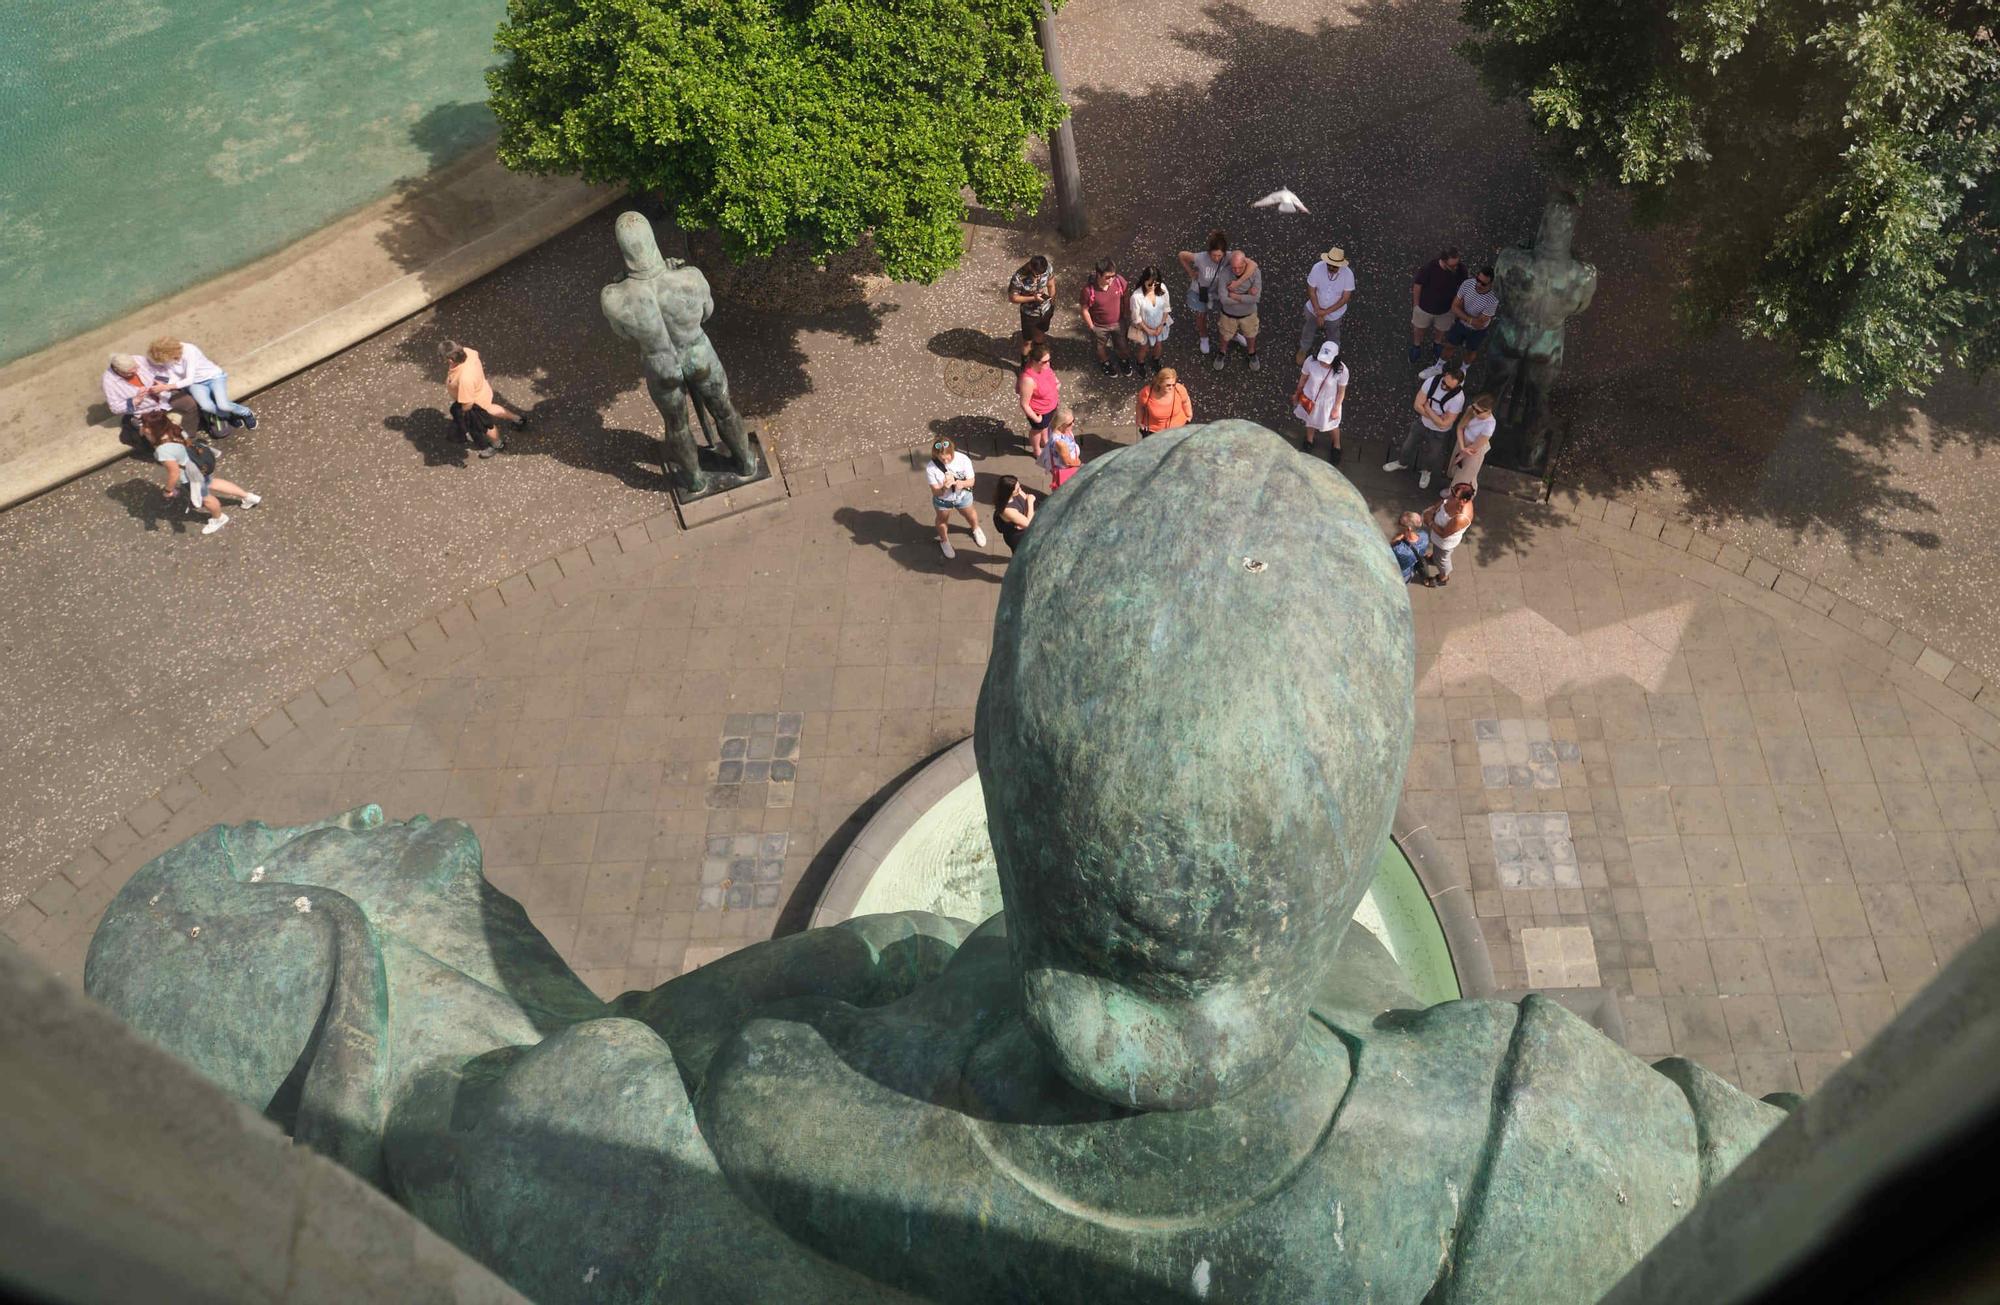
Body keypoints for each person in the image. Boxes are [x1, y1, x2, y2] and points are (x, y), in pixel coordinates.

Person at [141, 411, 260, 536]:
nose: (143, 428)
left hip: (190, 475)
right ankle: (248, 496)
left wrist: (168, 490)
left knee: (206, 499)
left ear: (151, 430)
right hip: (198, 462)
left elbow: (174, 473)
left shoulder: (163, 450)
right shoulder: (174, 427)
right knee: (212, 482)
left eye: (145, 426)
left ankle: (219, 518)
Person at [102, 353, 215, 445]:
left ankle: (190, 436)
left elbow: (162, 370)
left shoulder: (138, 359)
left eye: (136, 368)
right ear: (118, 371)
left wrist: (161, 385)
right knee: (158, 434)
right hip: (145, 409)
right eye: (131, 373)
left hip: (164, 397)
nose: (136, 372)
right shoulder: (109, 382)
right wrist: (135, 400)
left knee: (189, 404)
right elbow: (115, 408)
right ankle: (170, 447)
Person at [1384, 364, 1467, 490]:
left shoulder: (1458, 398)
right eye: (1444, 383)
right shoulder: (1431, 381)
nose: (1444, 387)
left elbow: (1445, 424)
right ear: (1444, 376)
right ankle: (1402, 463)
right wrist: (1438, 417)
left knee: (1432, 455)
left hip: (1440, 433)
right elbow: (1417, 405)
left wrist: (1427, 408)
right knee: (1407, 446)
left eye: (1449, 387)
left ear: (1458, 386)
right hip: (1422, 423)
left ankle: (1426, 472)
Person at [442, 341, 528, 459]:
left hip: (475, 404)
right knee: (490, 407)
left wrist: (463, 414)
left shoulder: (465, 379)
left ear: (450, 359)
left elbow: (468, 404)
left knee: (485, 426)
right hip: (482, 391)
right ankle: (518, 419)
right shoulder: (468, 352)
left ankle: (497, 444)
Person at [146, 338, 256, 429]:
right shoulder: (168, 359)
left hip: (213, 377)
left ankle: (245, 413)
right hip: (196, 383)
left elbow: (189, 378)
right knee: (207, 407)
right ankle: (229, 415)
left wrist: (166, 387)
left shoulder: (189, 350)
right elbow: (173, 376)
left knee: (223, 404)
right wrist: (162, 383)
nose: (165, 362)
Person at [1176, 230, 1255, 357]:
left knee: (1228, 316)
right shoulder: (1201, 257)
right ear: (1209, 252)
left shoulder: (1230, 257)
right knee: (1201, 315)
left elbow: (1252, 265)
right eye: (1214, 255)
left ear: (1225, 253)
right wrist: (1190, 272)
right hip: (1201, 291)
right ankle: (1204, 337)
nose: (1217, 258)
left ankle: (1233, 334)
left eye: (1220, 255)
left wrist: (1239, 282)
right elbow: (1181, 255)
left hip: (1220, 293)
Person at [924, 437, 985, 559]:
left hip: (962, 496)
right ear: (936, 455)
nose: (946, 460)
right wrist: (944, 488)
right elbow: (935, 492)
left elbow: (971, 481)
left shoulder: (963, 459)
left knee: (970, 513)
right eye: (942, 458)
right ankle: (944, 540)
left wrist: (961, 483)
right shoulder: (931, 468)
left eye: (948, 457)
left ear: (952, 452)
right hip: (944, 500)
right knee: (942, 520)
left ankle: (976, 528)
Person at [1291, 341, 1348, 463]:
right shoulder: (1311, 361)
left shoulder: (1342, 370)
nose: (1323, 362)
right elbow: (1303, 378)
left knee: (1332, 426)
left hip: (1328, 403)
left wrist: (1336, 408)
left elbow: (1341, 391)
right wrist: (1297, 392)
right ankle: (1309, 440)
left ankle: (1337, 445)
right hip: (1309, 397)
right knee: (1309, 421)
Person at [1296, 246, 1355, 363]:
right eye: (1329, 265)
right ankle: (1303, 348)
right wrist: (1318, 312)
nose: (1331, 268)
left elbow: (1345, 298)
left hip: (1334, 314)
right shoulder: (1317, 268)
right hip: (1314, 308)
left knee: (1333, 332)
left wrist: (1324, 313)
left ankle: (1333, 354)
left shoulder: (1348, 274)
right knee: (1309, 328)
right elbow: (1311, 290)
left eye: (1334, 266)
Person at [1409, 247, 1462, 364]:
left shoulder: (1460, 269)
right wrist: (1416, 305)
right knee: (1419, 329)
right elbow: (1417, 285)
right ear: (1443, 261)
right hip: (1424, 308)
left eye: (1456, 264)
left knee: (1441, 330)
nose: (1456, 267)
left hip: (1446, 310)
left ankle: (1437, 344)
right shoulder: (1429, 268)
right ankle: (1416, 346)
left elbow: (1462, 287)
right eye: (1452, 265)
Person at [1212, 249, 1263, 371]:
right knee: (1225, 335)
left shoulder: (1255, 273)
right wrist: (1247, 295)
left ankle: (1252, 353)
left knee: (1251, 334)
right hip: (1228, 314)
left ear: (1246, 263)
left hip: (1248, 314)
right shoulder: (1225, 273)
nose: (1236, 271)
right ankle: (1222, 352)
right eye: (1234, 268)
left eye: (1240, 267)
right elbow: (1223, 299)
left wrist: (1235, 296)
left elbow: (1256, 298)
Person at [1079, 259, 1131, 376]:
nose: (1111, 279)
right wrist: (1092, 327)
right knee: (1100, 347)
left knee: (1123, 344)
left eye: (1113, 276)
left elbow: (1126, 295)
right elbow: (1084, 310)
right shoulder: (1088, 291)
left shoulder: (1119, 282)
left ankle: (1123, 360)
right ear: (1098, 274)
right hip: (1099, 326)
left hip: (1119, 323)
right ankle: (1105, 362)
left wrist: (1126, 313)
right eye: (1108, 277)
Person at [1443, 266, 1499, 371]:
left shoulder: (1493, 299)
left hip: (1477, 331)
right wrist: (1470, 320)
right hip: (1461, 324)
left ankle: (1463, 371)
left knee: (1471, 351)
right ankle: (1438, 367)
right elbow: (1454, 307)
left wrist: (1462, 312)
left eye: (1483, 283)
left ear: (1491, 284)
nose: (1478, 284)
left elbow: (1480, 323)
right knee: (1449, 345)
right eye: (1478, 280)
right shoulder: (1468, 284)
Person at [1008, 254, 1056, 364]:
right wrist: (1033, 298)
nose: (1039, 277)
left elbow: (1051, 284)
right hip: (1029, 314)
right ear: (1031, 266)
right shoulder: (1019, 277)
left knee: (1040, 336)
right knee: (1027, 342)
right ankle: (1025, 365)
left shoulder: (1047, 268)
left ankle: (1038, 360)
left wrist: (1052, 300)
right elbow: (1013, 298)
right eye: (1037, 274)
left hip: (1045, 310)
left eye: (1042, 274)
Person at [1426, 483, 1477, 586]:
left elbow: (1444, 534)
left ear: (1463, 501)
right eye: (1452, 490)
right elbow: (1443, 502)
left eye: (1454, 495)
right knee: (1438, 555)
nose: (1450, 495)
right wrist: (1432, 509)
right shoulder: (1453, 499)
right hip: (1437, 537)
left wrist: (1430, 522)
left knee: (1443, 560)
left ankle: (1443, 577)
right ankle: (1434, 558)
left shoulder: (1460, 518)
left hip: (1443, 543)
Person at [1017, 343, 1061, 456]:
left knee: (1046, 426)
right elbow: (1024, 404)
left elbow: (1052, 375)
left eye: (1049, 360)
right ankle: (1036, 450)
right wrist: (1036, 419)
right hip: (1039, 412)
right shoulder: (1028, 380)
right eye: (1045, 361)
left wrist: (1056, 382)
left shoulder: (1045, 367)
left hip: (1051, 406)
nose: (1048, 363)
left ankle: (1045, 440)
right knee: (1037, 430)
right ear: (1035, 361)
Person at [1126, 266, 1172, 374]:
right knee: (1144, 348)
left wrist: (1161, 325)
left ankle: (1155, 360)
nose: (1153, 287)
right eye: (1150, 284)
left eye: (1156, 283)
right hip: (1144, 328)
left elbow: (1166, 308)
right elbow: (1136, 318)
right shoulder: (1136, 297)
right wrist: (1148, 330)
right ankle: (1140, 363)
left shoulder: (1162, 288)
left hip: (1160, 325)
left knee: (1159, 345)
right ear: (1144, 281)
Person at [1449, 393, 1497, 488]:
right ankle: (1454, 491)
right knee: (1457, 470)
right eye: (1474, 408)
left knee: (1465, 474)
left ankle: (1455, 495)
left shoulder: (1489, 425)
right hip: (1462, 441)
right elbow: (1460, 427)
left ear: (1489, 412)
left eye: (1478, 412)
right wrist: (1462, 447)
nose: (1474, 412)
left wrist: (1461, 455)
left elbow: (1476, 446)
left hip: (1475, 448)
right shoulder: (1471, 409)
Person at [1134, 365, 1193, 440]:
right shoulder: (1147, 393)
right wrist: (1139, 421)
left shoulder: (1179, 389)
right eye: (1168, 385)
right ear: (1159, 383)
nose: (1171, 387)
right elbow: (1140, 406)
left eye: (1173, 384)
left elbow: (1186, 401)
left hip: (1178, 428)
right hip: (1154, 432)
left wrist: (1189, 415)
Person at [1037, 406, 1083, 491]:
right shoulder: (1060, 443)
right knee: (1064, 489)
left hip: (1059, 463)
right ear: (1060, 424)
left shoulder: (1055, 427)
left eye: (1074, 420)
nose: (1073, 424)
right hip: (1065, 469)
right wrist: (1080, 464)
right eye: (1070, 423)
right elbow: (1068, 462)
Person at [993, 474, 1039, 551]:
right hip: (1018, 537)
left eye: (1019, 486)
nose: (1020, 490)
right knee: (1022, 553)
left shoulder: (1016, 491)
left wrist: (1025, 519)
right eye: (1017, 489)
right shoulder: (1007, 510)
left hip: (1024, 530)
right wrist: (1030, 503)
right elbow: (1028, 523)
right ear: (1008, 492)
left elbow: (1026, 498)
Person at [1389, 511, 1432, 584]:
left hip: (1399, 573)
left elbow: (1387, 550)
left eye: (1400, 523)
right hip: (1410, 571)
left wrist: (1395, 539)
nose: (1397, 524)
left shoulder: (1399, 549)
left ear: (1408, 529)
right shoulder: (1424, 536)